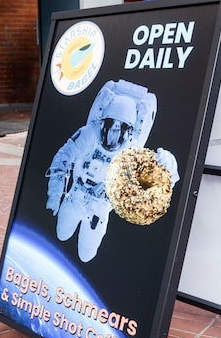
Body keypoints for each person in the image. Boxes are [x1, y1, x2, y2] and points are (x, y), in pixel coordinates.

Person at [45, 80, 178, 262]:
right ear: (103, 125)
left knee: (86, 255)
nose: (113, 137)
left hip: (98, 208)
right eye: (110, 128)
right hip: (75, 196)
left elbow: (163, 180)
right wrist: (55, 194)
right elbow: (62, 158)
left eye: (120, 130)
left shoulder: (131, 150)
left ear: (129, 132)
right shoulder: (90, 134)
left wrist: (168, 161)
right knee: (61, 234)